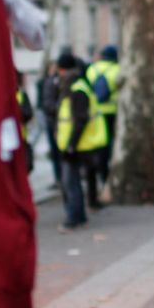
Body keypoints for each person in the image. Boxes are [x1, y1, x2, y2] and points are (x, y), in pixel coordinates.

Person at [55, 52, 105, 230]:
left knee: (70, 182)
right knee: (73, 181)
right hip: (77, 143)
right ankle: (79, 216)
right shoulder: (77, 86)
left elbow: (79, 120)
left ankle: (74, 218)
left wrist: (70, 144)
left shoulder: (77, 89)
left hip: (77, 145)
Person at [86, 44, 120, 200]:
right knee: (112, 145)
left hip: (96, 114)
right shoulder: (117, 69)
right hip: (113, 112)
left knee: (100, 147)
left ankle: (102, 175)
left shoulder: (92, 69)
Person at [37, 58, 63, 187]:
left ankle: (61, 178)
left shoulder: (59, 82)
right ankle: (58, 178)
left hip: (58, 122)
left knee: (60, 152)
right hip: (51, 120)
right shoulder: (45, 82)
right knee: (55, 151)